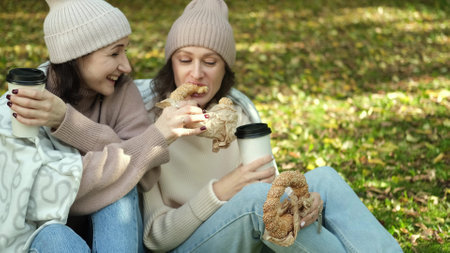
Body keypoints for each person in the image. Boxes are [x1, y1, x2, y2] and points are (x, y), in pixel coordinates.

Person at [141, 0, 403, 252]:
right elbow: (155, 238)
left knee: (325, 180)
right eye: (185, 60)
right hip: (187, 246)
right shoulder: (151, 125)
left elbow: (273, 190)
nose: (196, 73)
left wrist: (304, 202)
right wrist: (221, 190)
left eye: (210, 62)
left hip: (245, 232)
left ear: (225, 70)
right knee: (258, 201)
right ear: (171, 64)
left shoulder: (238, 118)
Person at [4, 0, 207, 252]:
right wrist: (149, 141)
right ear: (75, 56)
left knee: (122, 187)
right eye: (114, 53)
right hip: (49, 236)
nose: (126, 66)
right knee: (53, 234)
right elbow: (41, 198)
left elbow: (144, 176)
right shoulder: (29, 99)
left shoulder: (122, 91)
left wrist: (66, 121)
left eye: (125, 51)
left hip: (116, 234)